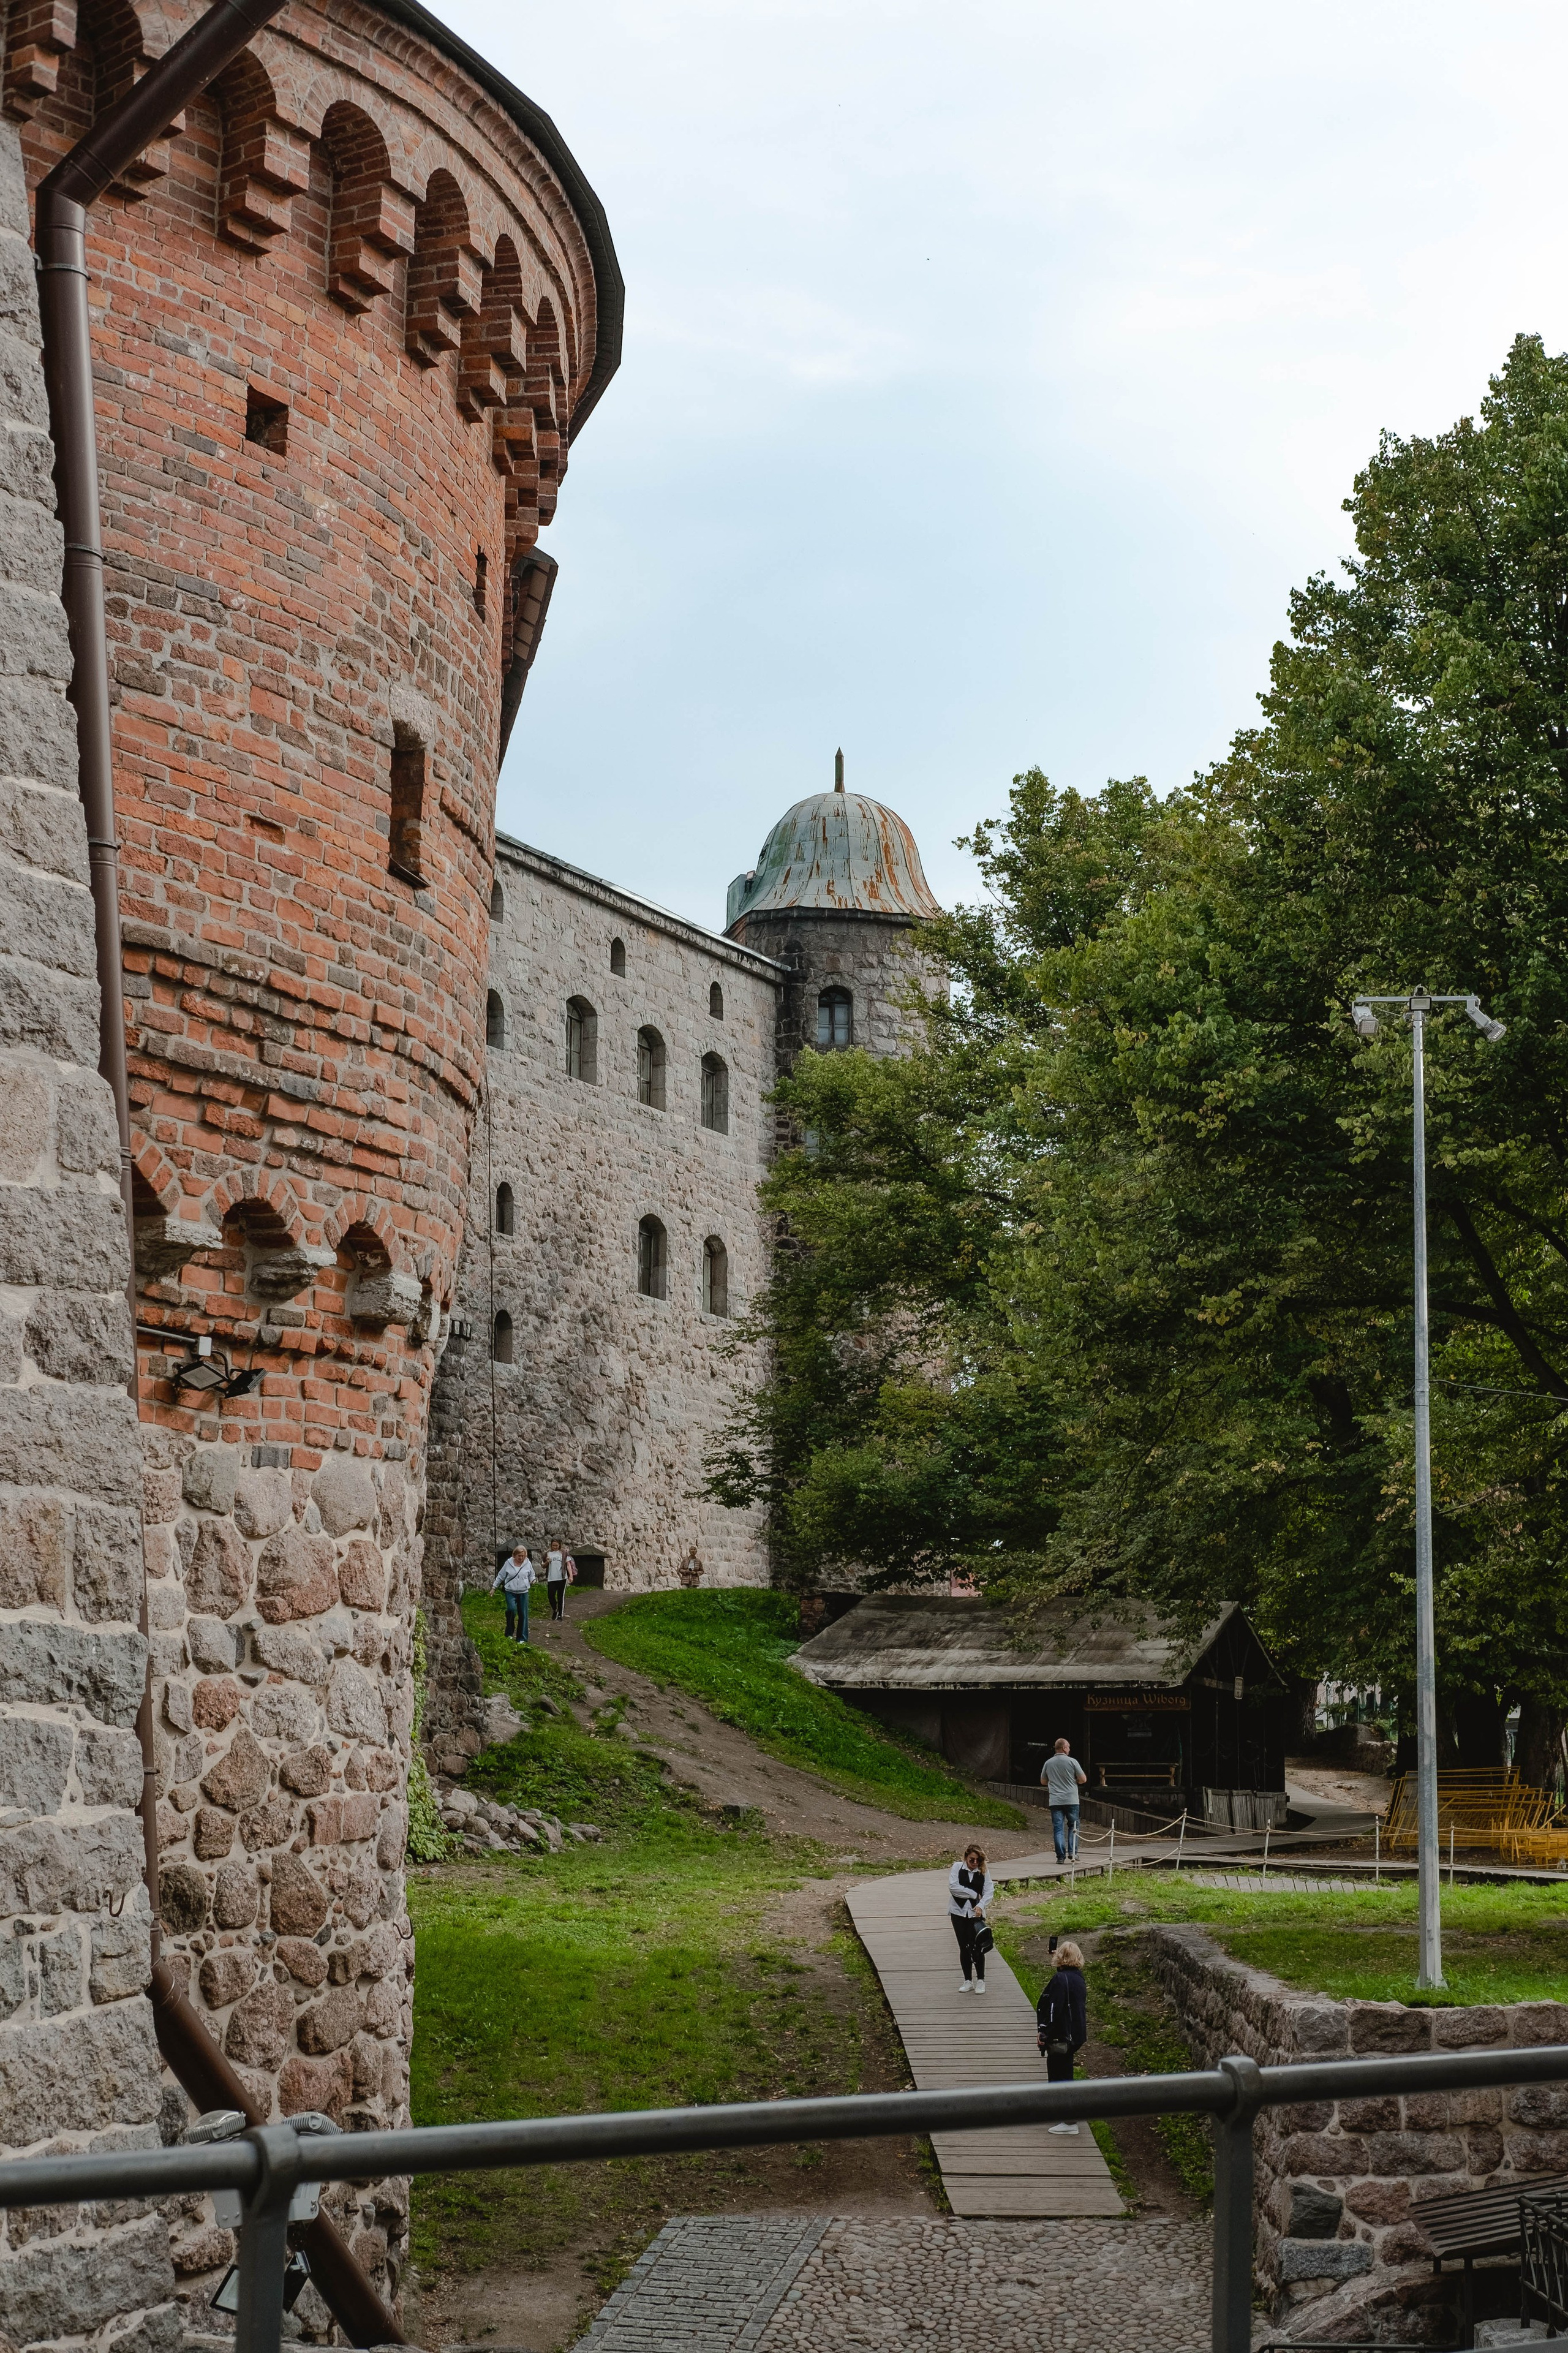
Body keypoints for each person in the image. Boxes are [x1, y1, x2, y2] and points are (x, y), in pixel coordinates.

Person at [1036, 1939, 1088, 2132]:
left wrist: (1044, 2034)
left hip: (1061, 2035)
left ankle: (1069, 2122)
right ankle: (1062, 2114)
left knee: (1060, 2075)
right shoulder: (1078, 1978)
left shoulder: (1060, 1980)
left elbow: (1054, 2010)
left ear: (1061, 1959)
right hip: (1075, 2034)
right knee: (1065, 2070)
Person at [948, 1843, 995, 1994]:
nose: (975, 1863)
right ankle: (968, 1980)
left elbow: (989, 1891)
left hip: (976, 1913)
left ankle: (981, 1980)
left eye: (978, 1861)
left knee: (977, 1945)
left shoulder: (984, 1871)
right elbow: (954, 1887)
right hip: (958, 1912)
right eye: (972, 1860)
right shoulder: (957, 1868)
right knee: (963, 1947)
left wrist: (981, 1905)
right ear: (966, 1857)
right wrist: (973, 1894)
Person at [1041, 1736, 1087, 1863]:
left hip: (1055, 1801)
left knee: (1058, 1828)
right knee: (1074, 1826)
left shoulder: (1048, 1763)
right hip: (1071, 1800)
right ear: (1064, 1748)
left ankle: (1060, 1857)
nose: (1069, 1749)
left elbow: (1043, 1781)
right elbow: (1083, 1779)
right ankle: (1073, 1853)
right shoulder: (1072, 1762)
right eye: (1069, 1747)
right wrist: (1075, 1781)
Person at [493, 1545, 535, 1644]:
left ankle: (522, 1638)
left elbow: (532, 1575)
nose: (521, 1558)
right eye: (519, 1556)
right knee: (511, 1610)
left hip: (523, 1592)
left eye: (523, 1556)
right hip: (510, 1591)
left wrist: (533, 1580)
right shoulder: (508, 1563)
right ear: (514, 1555)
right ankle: (509, 1632)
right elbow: (501, 1576)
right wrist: (494, 1587)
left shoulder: (527, 1563)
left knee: (523, 1614)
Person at [545, 1538, 573, 1622]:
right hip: (551, 1578)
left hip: (562, 1578)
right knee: (551, 1596)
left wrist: (571, 1576)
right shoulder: (548, 1553)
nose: (555, 1547)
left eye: (556, 1546)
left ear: (560, 1545)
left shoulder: (564, 1553)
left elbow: (568, 1565)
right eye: (553, 1546)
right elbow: (543, 1565)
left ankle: (560, 1615)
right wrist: (547, 1562)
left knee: (560, 1597)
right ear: (551, 1545)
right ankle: (555, 1610)